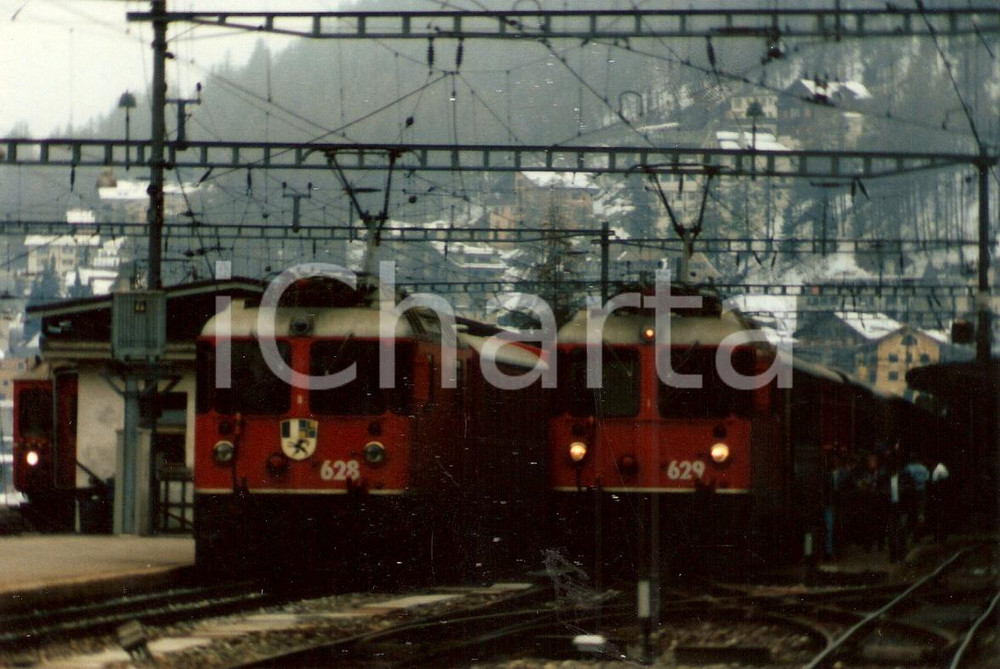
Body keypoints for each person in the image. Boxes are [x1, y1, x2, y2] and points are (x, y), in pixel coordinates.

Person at [903, 456, 930, 540]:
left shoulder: (908, 468)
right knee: (921, 512)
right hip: (923, 491)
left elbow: (905, 480)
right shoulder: (924, 468)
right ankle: (920, 533)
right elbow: (927, 479)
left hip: (913, 492)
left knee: (911, 512)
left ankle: (911, 532)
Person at [928, 461, 950, 544]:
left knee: (938, 517)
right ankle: (942, 536)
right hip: (944, 496)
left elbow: (934, 483)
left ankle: (938, 537)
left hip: (939, 497)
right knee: (941, 517)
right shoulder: (942, 467)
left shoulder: (937, 470)